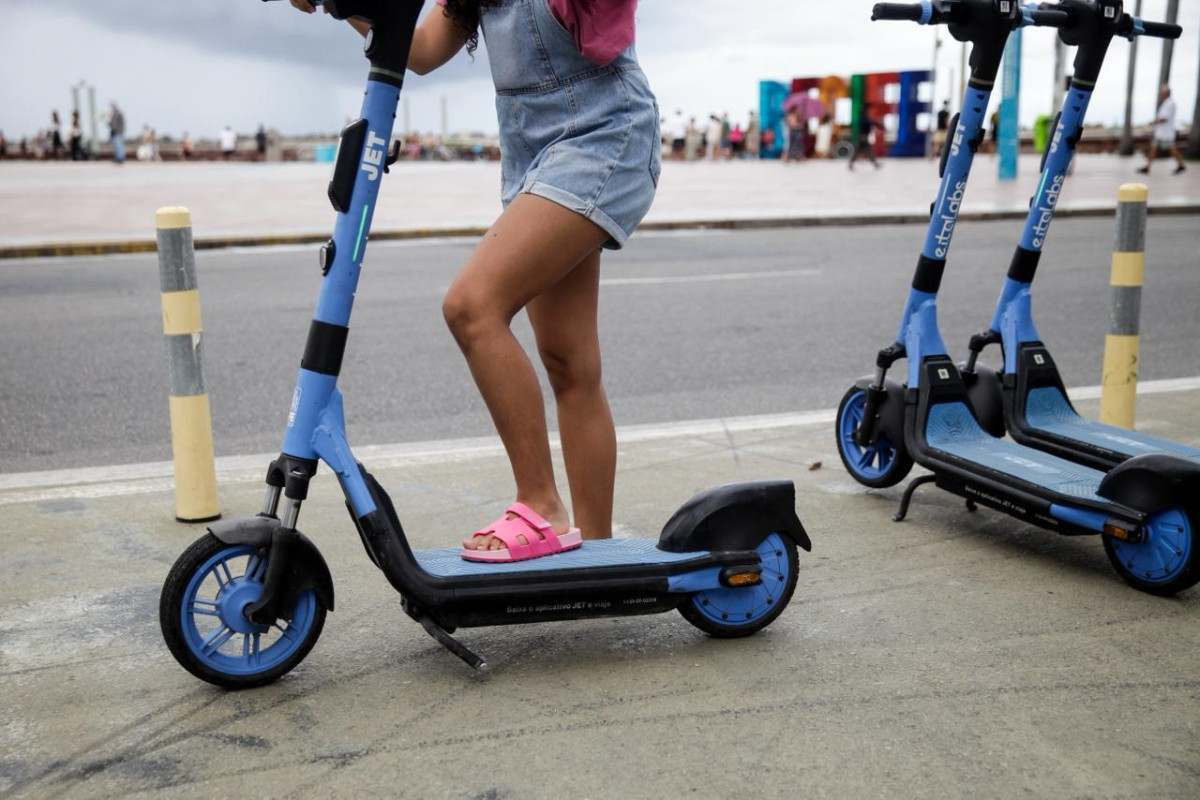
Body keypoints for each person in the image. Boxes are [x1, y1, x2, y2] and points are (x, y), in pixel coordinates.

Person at [288, 0, 658, 561]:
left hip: (603, 136)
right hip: (534, 154)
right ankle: (596, 559)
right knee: (569, 362)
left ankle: (540, 506)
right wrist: (341, 4)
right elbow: (420, 50)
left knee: (472, 306)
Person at [1139, 84, 1186, 176]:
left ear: (1166, 93)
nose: (1160, 94)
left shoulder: (1170, 103)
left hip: (1166, 133)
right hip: (1161, 133)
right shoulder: (1166, 103)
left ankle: (1181, 165)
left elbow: (1164, 118)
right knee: (1153, 148)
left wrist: (1153, 122)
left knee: (1172, 150)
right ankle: (1147, 167)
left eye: (1162, 92)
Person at [848, 102, 881, 170]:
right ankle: (875, 164)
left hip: (863, 136)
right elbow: (868, 123)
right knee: (867, 150)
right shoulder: (863, 117)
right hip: (863, 137)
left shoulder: (863, 117)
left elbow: (870, 123)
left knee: (860, 151)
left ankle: (851, 164)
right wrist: (877, 124)